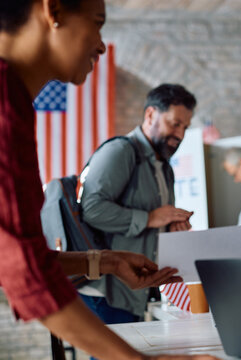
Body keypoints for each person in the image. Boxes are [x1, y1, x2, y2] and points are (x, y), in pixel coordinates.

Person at [0, 1, 216, 359]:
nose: (101, 44)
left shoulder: (17, 101)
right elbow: (25, 271)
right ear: (52, 11)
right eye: (97, 23)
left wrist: (110, 261)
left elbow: (20, 256)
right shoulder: (8, 106)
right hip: (104, 297)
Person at [79, 83, 196, 324]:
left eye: (185, 127)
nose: (181, 135)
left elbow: (154, 222)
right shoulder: (120, 151)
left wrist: (171, 227)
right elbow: (91, 209)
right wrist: (151, 218)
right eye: (175, 124)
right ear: (151, 114)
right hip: (107, 293)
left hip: (135, 292)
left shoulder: (164, 168)